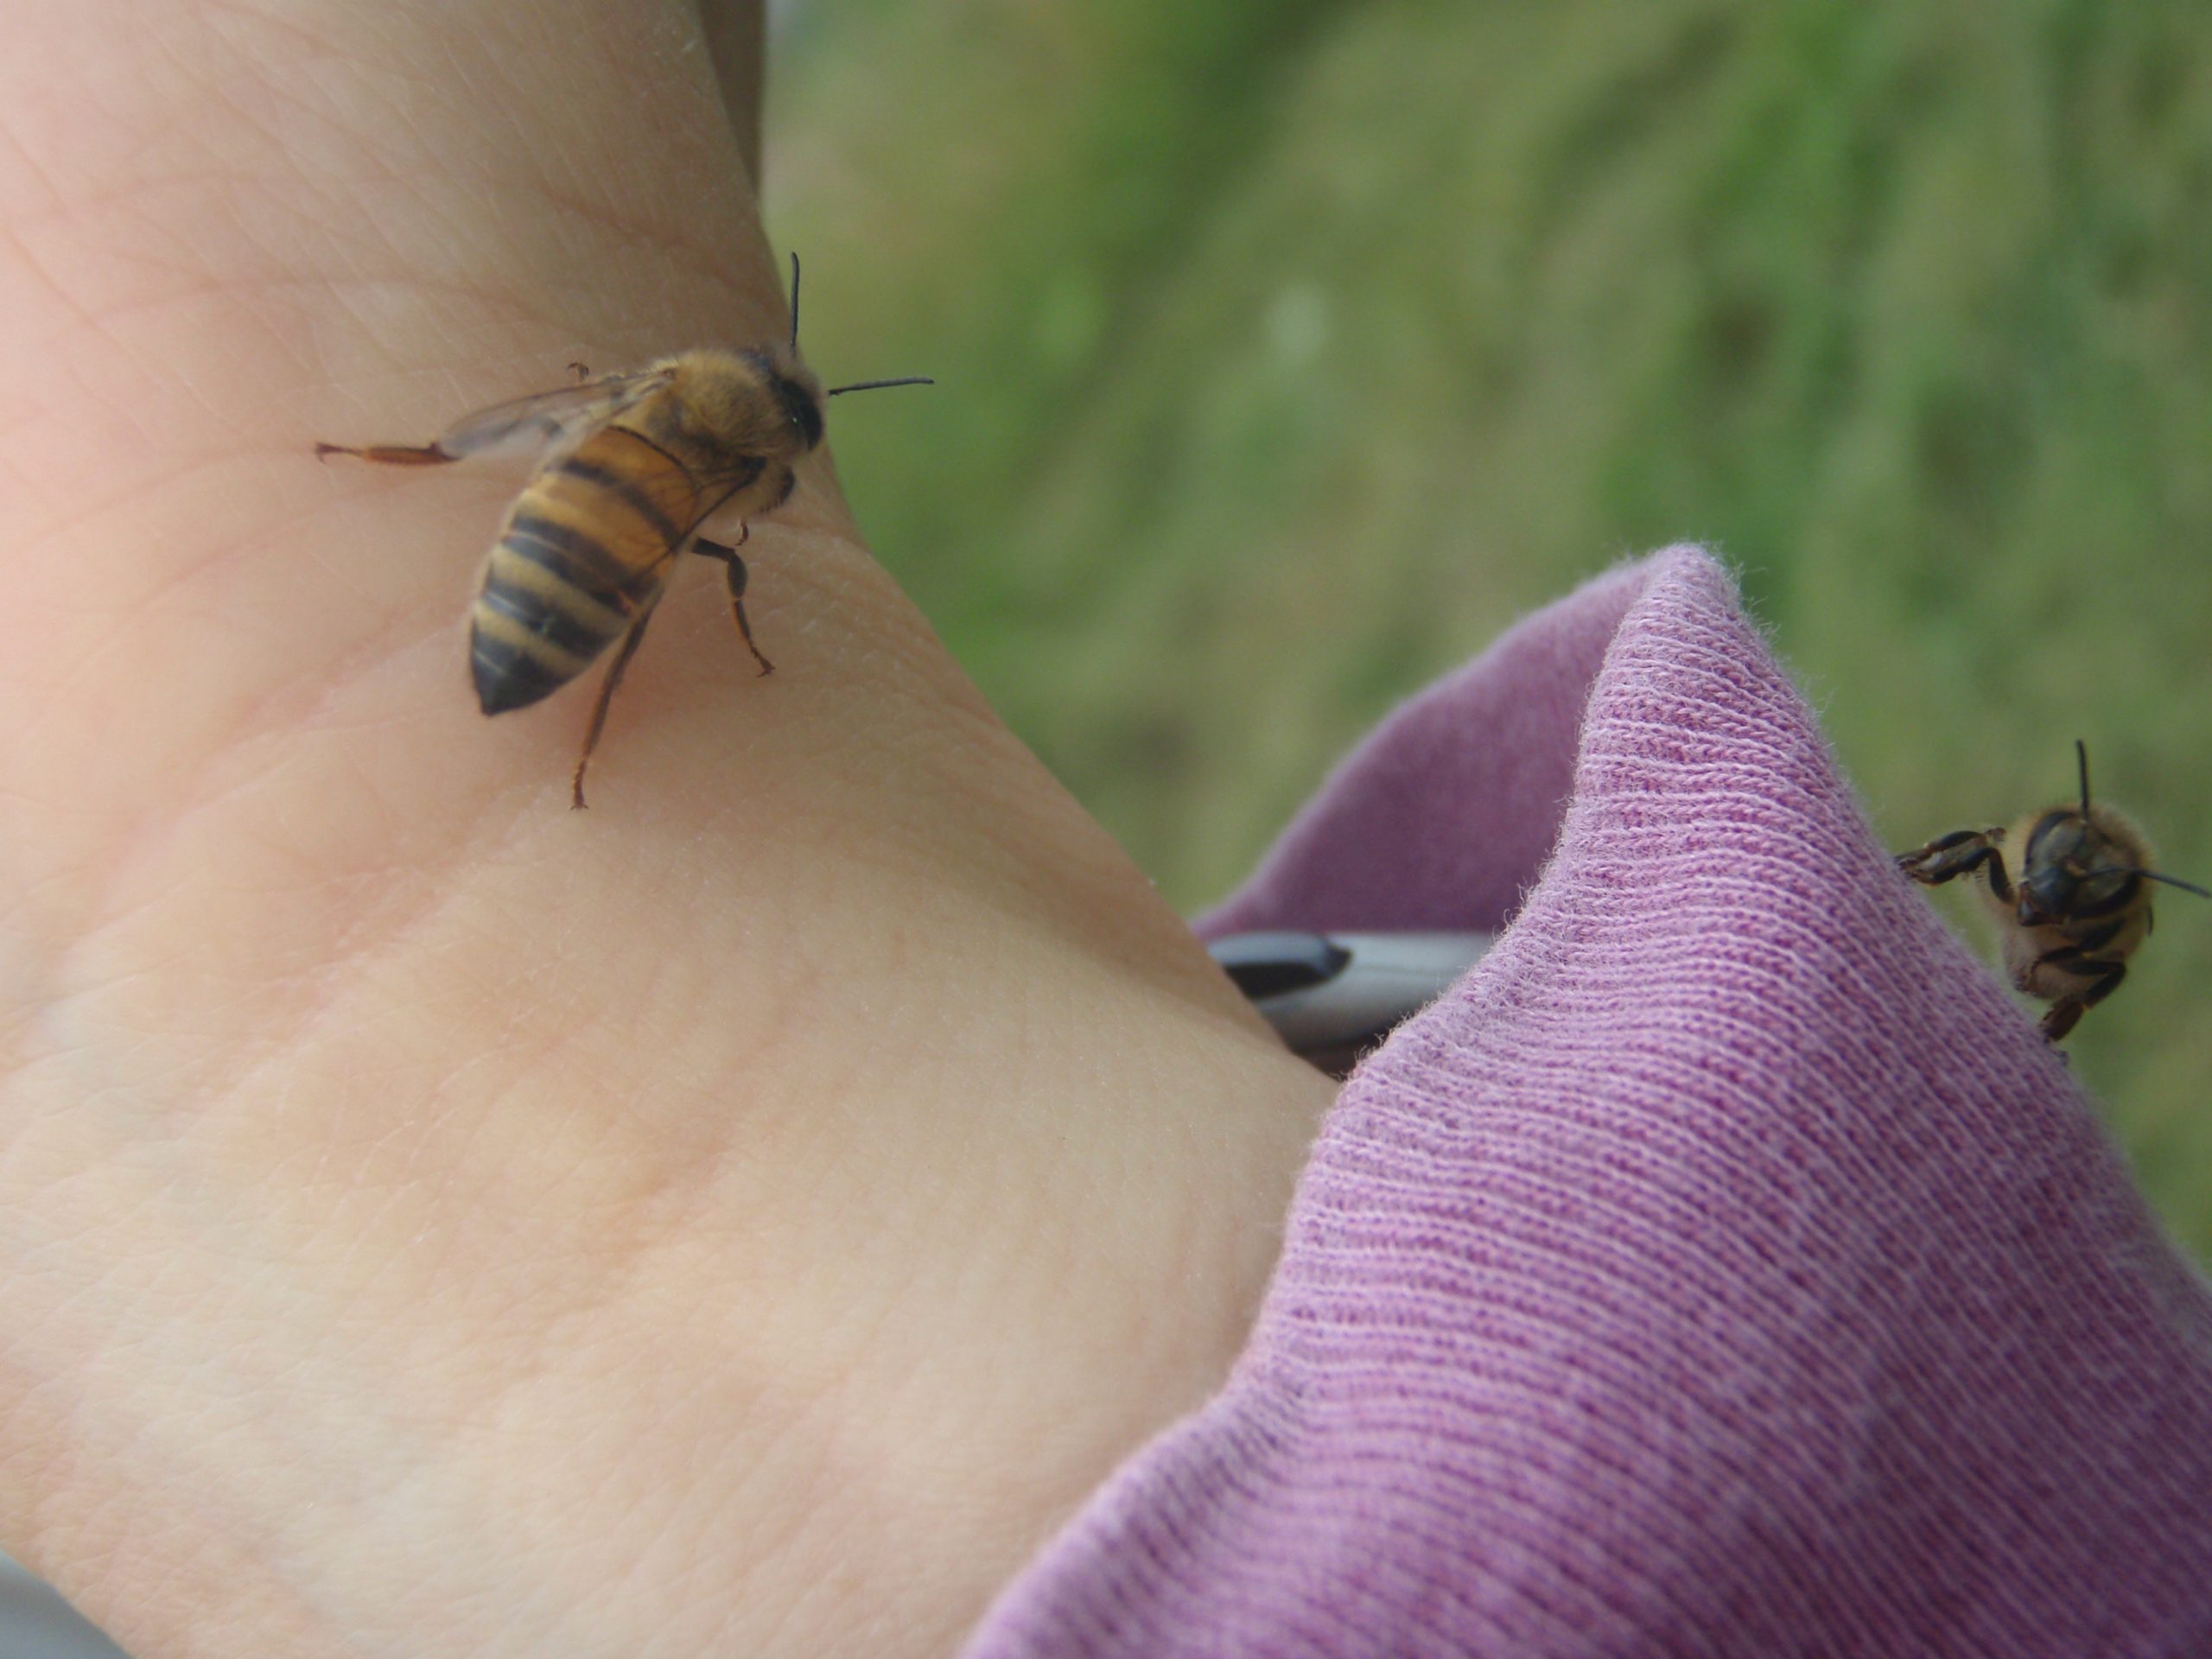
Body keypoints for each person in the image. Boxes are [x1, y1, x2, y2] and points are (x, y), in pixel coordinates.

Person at [3, 6, 2208, 1657]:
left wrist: (255, 842)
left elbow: (577, 470)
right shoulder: (702, 492)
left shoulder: (623, 434)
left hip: (516, 636)